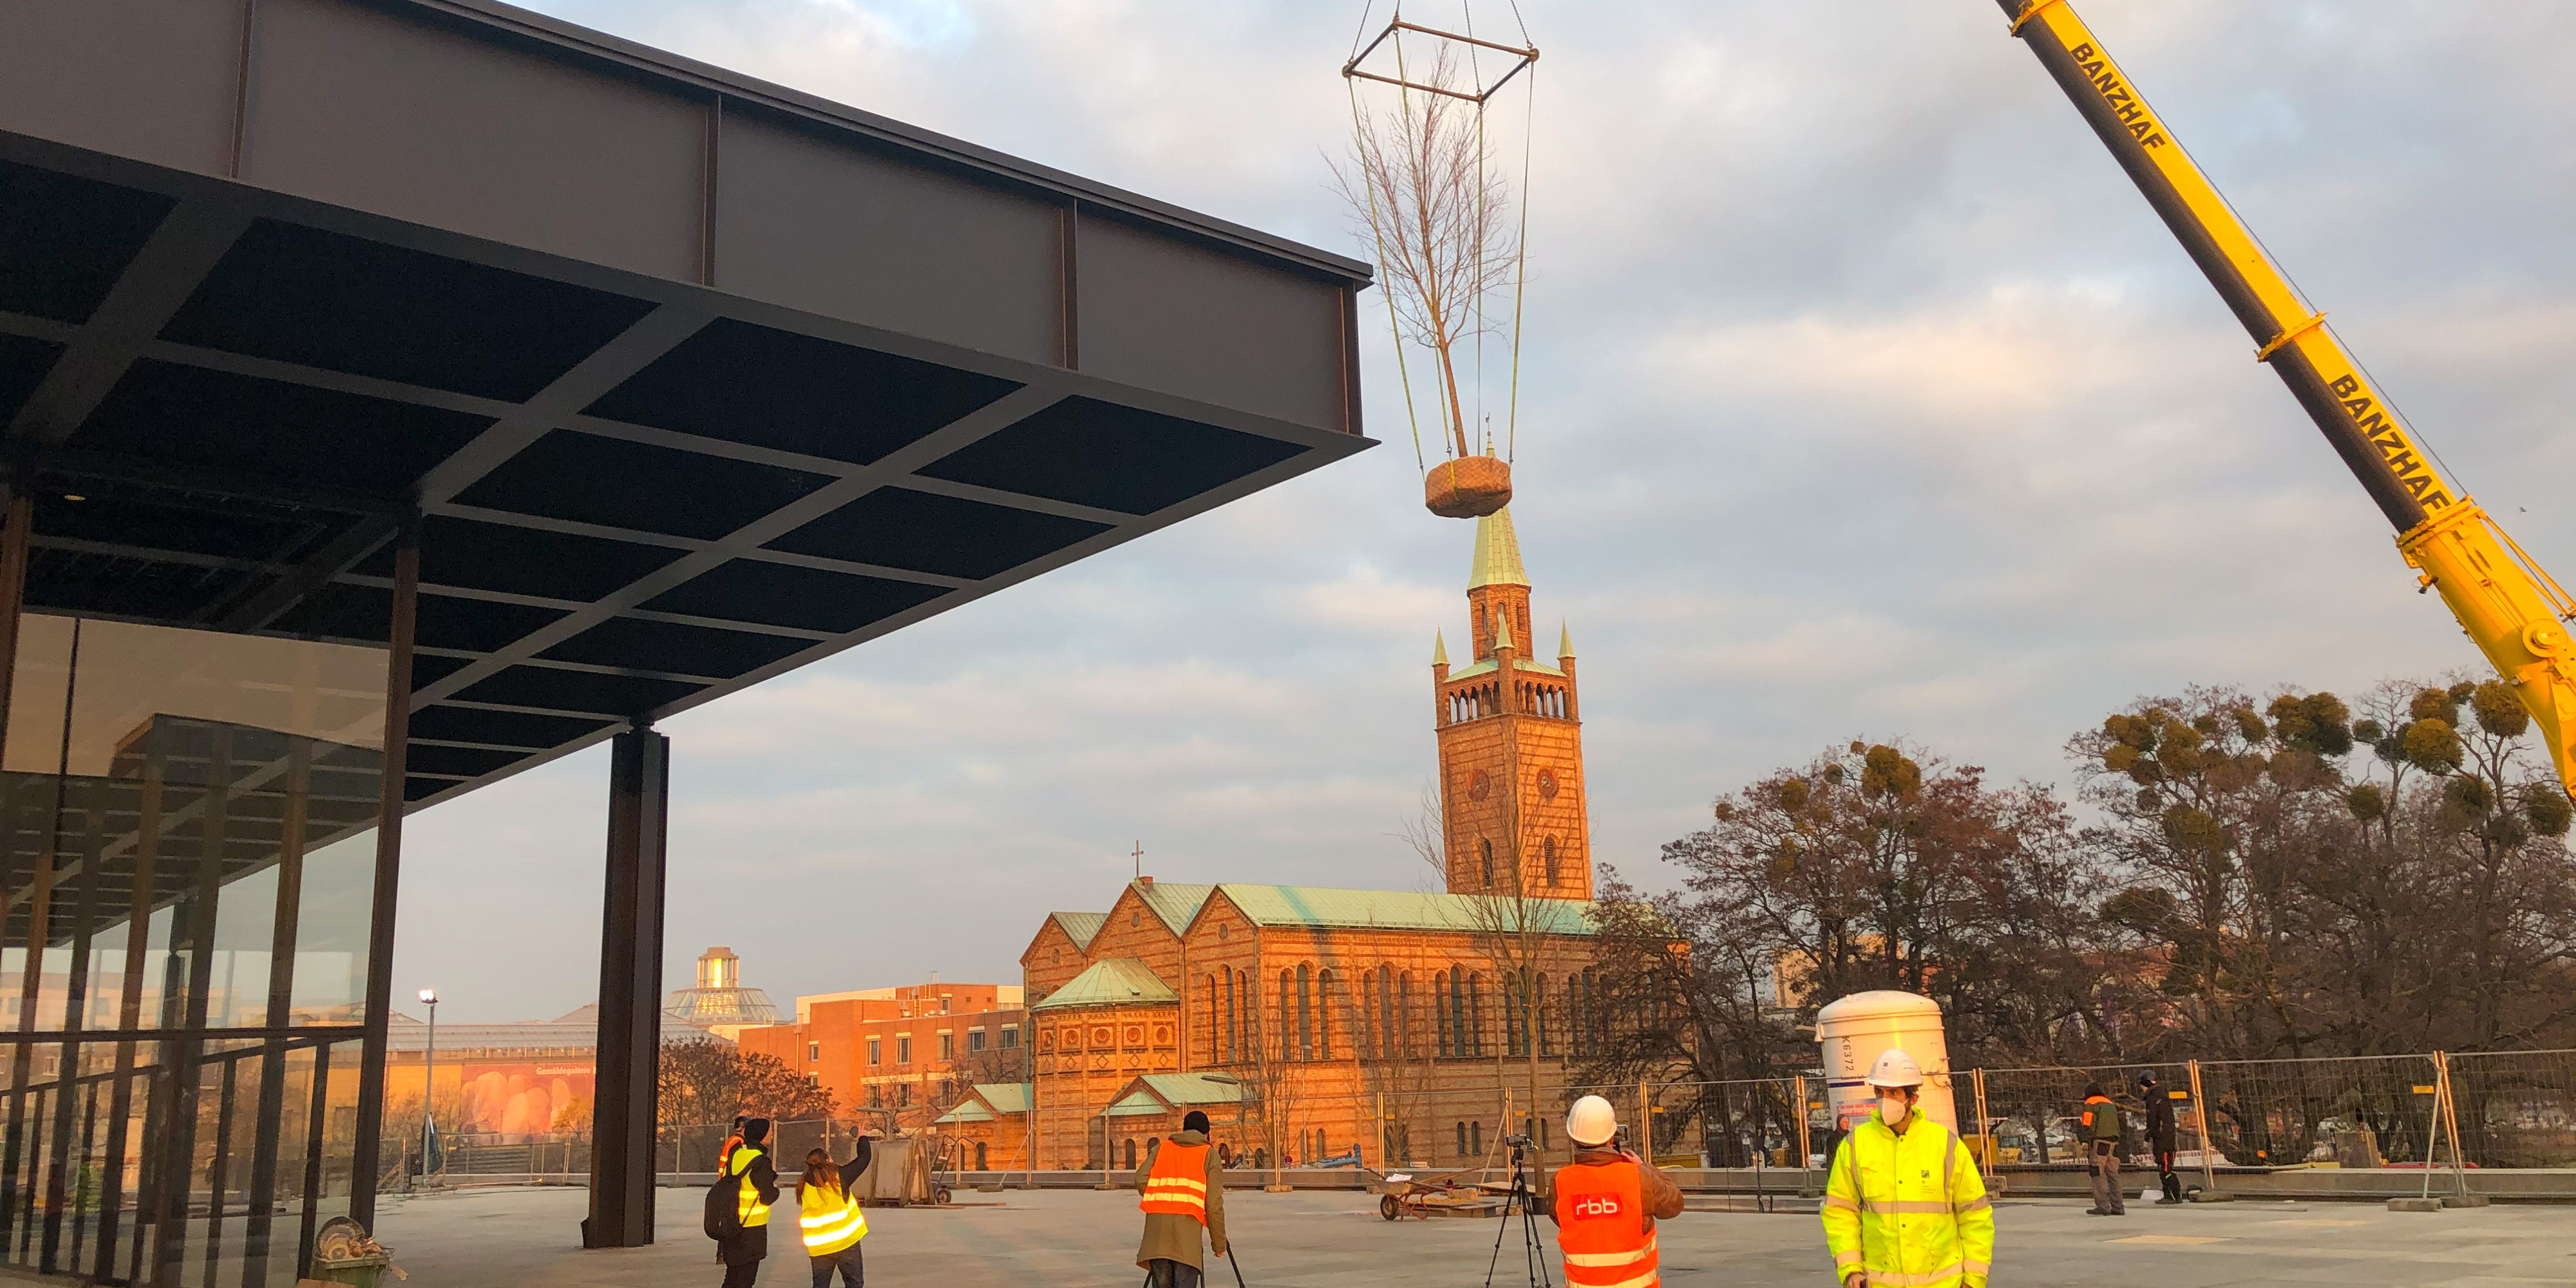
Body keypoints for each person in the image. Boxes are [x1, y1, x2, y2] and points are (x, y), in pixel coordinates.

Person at [1822, 1049, 1994, 1288]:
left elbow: (1975, 1215)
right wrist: (1851, 1270)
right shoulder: (1854, 1145)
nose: (1885, 1100)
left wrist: (1973, 1280)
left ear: (1913, 1098)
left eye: (1894, 1092)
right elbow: (1840, 1213)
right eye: (1879, 1092)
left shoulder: (1946, 1145)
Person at [1540, 1094, 1684, 1288]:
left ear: (1574, 1139)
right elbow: (1674, 1204)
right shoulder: (1639, 1177)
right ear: (1611, 1137)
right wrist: (1645, 1167)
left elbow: (1559, 1217)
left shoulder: (1560, 1181)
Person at [1135, 1110, 1229, 1288]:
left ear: (1184, 1129)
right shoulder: (1208, 1154)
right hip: (1186, 1243)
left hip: (1157, 1240)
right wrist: (1219, 1244)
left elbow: (1140, 1178)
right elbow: (1213, 1204)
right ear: (1206, 1133)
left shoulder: (1163, 1148)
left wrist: (1160, 1196)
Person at [799, 1132, 874, 1287]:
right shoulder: (840, 1177)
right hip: (845, 1243)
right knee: (854, 1283)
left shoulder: (803, 1184)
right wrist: (863, 1140)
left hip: (819, 1246)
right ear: (827, 1161)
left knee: (820, 1285)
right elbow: (864, 1159)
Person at [718, 1117, 780, 1288]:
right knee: (746, 1280)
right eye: (770, 1132)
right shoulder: (761, 1160)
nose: (772, 1135)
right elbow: (768, 1196)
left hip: (731, 1224)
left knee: (731, 1278)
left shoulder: (737, 1154)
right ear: (762, 1135)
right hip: (752, 1228)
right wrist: (776, 1189)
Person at [2081, 1081, 2126, 1216]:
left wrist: (2086, 1140)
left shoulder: (2090, 1103)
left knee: (2097, 1173)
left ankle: (2103, 1206)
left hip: (2100, 1143)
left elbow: (2088, 1124)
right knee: (2114, 1175)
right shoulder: (2110, 1104)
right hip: (2114, 1142)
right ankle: (2118, 1207)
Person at [2138, 1072, 2181, 1204]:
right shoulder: (2162, 1096)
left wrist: (2147, 1136)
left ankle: (2172, 1196)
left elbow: (2153, 1121)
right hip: (2167, 1138)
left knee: (2165, 1169)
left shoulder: (2153, 1099)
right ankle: (2173, 1195)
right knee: (2166, 1167)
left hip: (2163, 1139)